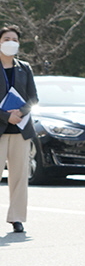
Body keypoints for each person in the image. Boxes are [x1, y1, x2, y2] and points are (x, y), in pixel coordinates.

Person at [1, 25, 37, 234]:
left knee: (19, 176)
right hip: (1, 127)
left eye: (14, 39)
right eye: (6, 39)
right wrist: (7, 116)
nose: (10, 42)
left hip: (21, 131)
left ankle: (17, 218)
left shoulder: (24, 67)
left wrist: (20, 114)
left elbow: (33, 98)